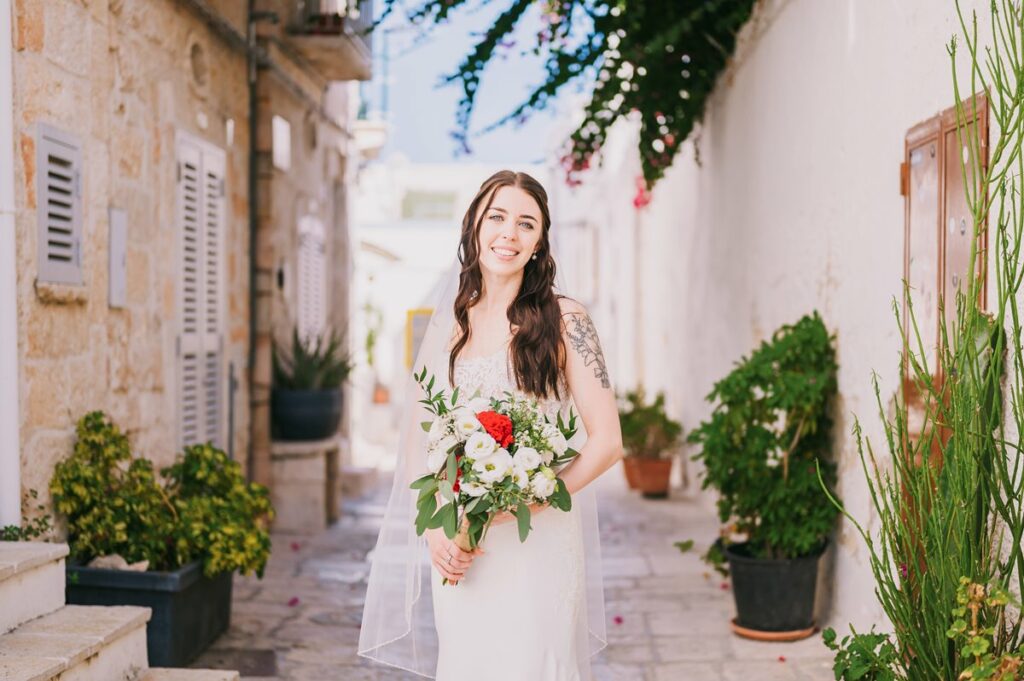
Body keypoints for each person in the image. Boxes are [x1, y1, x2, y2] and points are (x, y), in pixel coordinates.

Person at [358, 170, 623, 680]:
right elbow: (423, 438)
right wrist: (435, 525)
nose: (509, 233)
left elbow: (608, 443)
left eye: (527, 223)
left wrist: (538, 496)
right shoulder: (451, 324)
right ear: (474, 225)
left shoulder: (566, 320)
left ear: (540, 242)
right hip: (464, 544)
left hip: (537, 538)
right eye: (497, 217)